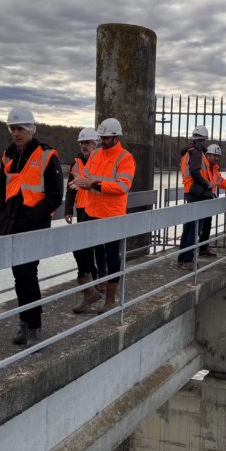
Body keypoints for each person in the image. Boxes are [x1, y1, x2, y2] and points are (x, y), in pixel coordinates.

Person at [0, 106, 63, 346]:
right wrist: (0, 217)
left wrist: (32, 219)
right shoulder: (9, 154)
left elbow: (55, 197)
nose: (16, 133)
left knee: (27, 274)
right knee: (18, 276)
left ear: (31, 129)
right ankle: (25, 323)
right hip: (11, 226)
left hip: (33, 227)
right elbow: (1, 190)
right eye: (13, 128)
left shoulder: (46, 155)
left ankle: (34, 327)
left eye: (21, 128)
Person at [68, 117, 135, 311]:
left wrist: (93, 184)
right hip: (92, 210)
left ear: (116, 137)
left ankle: (110, 300)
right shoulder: (96, 154)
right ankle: (89, 293)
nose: (102, 141)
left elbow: (123, 186)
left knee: (112, 256)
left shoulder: (126, 158)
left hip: (113, 214)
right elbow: (87, 176)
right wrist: (80, 181)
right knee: (79, 248)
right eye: (101, 137)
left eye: (106, 138)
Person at [64, 126, 102, 313]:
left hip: (99, 209)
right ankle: (90, 286)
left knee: (98, 247)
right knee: (81, 247)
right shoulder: (76, 162)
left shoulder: (102, 160)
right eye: (82, 142)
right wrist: (68, 210)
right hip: (82, 210)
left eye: (87, 142)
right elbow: (70, 188)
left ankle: (95, 285)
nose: (84, 146)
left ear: (96, 143)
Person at [177, 125, 213, 269]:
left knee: (189, 226)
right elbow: (195, 171)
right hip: (197, 192)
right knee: (195, 227)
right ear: (202, 139)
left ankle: (182, 258)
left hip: (190, 191)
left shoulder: (189, 150)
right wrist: (207, 184)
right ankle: (188, 260)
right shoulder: (196, 151)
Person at [200, 143, 226, 256]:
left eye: (218, 156)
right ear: (207, 155)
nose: (216, 158)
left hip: (208, 201)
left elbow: (223, 183)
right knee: (198, 226)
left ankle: (203, 248)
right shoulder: (203, 167)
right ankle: (193, 250)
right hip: (200, 200)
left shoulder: (214, 170)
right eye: (214, 155)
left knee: (207, 225)